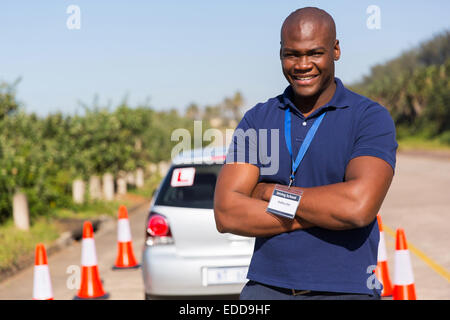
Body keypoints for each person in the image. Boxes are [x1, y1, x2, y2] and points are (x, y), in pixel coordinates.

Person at [213, 7, 397, 300]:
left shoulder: (369, 117)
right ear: (281, 54)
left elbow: (358, 207)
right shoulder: (258, 119)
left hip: (345, 290)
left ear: (336, 50)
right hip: (266, 289)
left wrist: (271, 192)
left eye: (314, 53)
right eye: (292, 54)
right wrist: (325, 212)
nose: (302, 64)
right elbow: (227, 213)